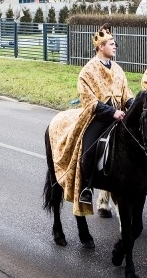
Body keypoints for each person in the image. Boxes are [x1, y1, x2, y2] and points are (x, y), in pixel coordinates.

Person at [47, 25, 134, 211]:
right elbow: (89, 101)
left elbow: (126, 94)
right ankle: (85, 188)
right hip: (98, 118)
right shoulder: (87, 71)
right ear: (101, 46)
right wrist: (111, 112)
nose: (115, 46)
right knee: (89, 150)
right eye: (111, 43)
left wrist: (135, 106)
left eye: (114, 43)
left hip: (120, 118)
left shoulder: (118, 69)